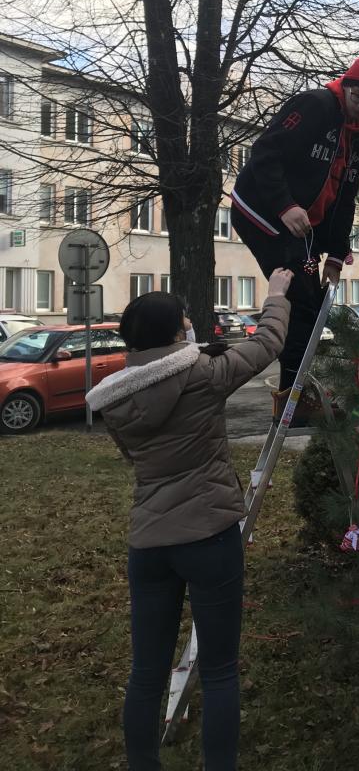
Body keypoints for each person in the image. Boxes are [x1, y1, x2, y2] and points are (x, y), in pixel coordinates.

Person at [85, 269, 293, 771]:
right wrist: (276, 295)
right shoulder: (202, 374)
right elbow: (267, 344)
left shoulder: (115, 397)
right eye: (184, 320)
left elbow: (135, 460)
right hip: (209, 537)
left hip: (149, 543)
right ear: (177, 330)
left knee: (146, 674)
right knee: (220, 672)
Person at [231, 43, 359, 417]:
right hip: (262, 210)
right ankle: (293, 400)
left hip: (305, 229)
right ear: (346, 84)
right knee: (302, 299)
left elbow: (345, 197)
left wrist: (336, 255)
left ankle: (296, 392)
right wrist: (284, 205)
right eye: (357, 95)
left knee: (313, 305)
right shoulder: (315, 105)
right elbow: (265, 153)